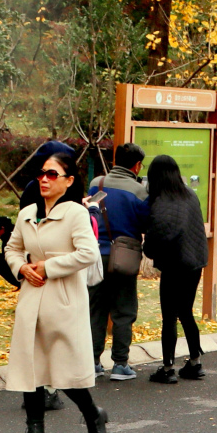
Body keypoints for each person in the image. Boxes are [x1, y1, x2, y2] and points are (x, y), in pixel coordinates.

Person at [3, 151, 109, 433]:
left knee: (65, 372)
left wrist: (48, 266)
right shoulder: (27, 214)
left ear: (69, 180)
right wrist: (21, 268)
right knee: (31, 371)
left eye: (52, 174)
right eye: (41, 174)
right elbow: (12, 249)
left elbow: (87, 254)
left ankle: (93, 415)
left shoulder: (76, 213)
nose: (45, 179)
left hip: (63, 301)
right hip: (31, 302)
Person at [142, 155, 208, 386]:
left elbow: (160, 234)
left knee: (169, 316)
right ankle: (194, 362)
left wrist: (148, 249)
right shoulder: (189, 194)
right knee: (186, 311)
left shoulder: (162, 200)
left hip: (174, 264)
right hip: (195, 262)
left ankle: (168, 367)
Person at [87, 143, 150, 382]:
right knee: (123, 310)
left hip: (96, 255)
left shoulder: (96, 183)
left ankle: (93, 362)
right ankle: (120, 364)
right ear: (136, 165)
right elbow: (145, 223)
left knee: (96, 310)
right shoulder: (139, 192)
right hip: (125, 256)